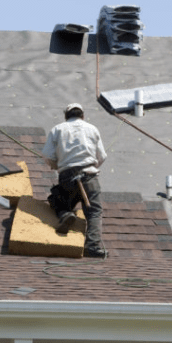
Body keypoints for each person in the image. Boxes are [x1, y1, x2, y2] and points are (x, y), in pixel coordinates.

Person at [42, 103, 108, 258]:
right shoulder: (92, 129)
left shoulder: (57, 129)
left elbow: (47, 155)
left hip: (67, 176)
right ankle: (92, 246)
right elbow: (102, 156)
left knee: (57, 199)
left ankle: (65, 214)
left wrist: (57, 165)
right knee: (94, 211)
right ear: (82, 116)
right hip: (88, 175)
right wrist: (91, 166)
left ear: (66, 116)